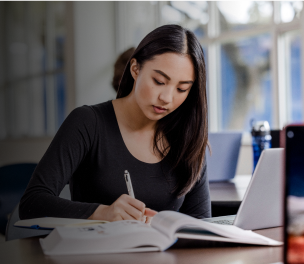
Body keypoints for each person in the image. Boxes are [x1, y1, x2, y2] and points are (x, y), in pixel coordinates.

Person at [19, 24, 211, 223]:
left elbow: (201, 221)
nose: (167, 98)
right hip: (96, 252)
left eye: (181, 89)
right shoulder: (87, 122)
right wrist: (102, 213)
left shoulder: (188, 137)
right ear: (135, 69)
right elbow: (32, 203)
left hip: (164, 253)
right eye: (159, 81)